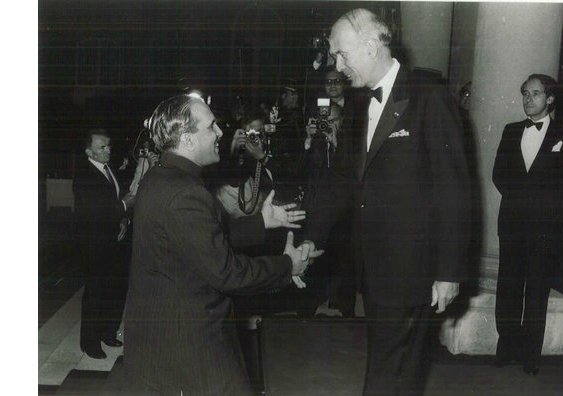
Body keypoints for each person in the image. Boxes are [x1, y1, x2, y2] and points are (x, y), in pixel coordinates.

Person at [304, 9, 471, 394]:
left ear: (372, 45)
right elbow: (343, 180)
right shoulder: (360, 106)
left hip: (413, 266)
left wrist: (448, 271)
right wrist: (312, 236)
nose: (337, 64)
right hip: (374, 265)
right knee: (397, 369)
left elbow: (454, 190)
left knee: (388, 369)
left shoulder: (428, 97)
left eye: (342, 54)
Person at [123, 93, 322, 395]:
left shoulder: (159, 178)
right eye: (211, 127)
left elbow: (201, 240)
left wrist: (262, 222)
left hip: (164, 334)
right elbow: (227, 273)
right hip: (190, 343)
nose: (220, 133)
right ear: (188, 140)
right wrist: (288, 264)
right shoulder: (186, 194)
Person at [492, 74, 563, 376]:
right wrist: (524, 198)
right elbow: (499, 175)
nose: (528, 99)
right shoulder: (510, 130)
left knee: (536, 291)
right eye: (525, 93)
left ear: (550, 98)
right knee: (508, 287)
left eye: (535, 93)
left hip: (545, 228)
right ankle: (506, 348)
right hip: (513, 223)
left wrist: (544, 207)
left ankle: (530, 355)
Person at [73, 128, 136, 359]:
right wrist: (125, 206)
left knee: (116, 289)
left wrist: (123, 220)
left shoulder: (108, 169)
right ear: (89, 151)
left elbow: (114, 200)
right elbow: (96, 211)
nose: (108, 150)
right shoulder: (85, 174)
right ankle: (89, 343)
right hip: (95, 244)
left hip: (115, 239)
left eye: (109, 146)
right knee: (96, 292)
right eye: (102, 147)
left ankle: (108, 332)